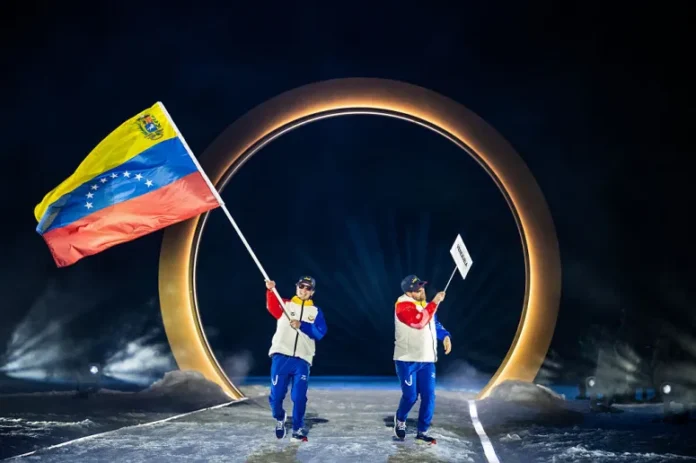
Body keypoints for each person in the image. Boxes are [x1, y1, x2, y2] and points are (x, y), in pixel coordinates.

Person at [265, 276, 328, 442]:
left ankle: (298, 427)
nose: (304, 290)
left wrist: (302, 325)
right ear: (297, 287)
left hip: (302, 359)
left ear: (312, 292)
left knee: (299, 397)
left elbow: (320, 333)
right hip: (281, 356)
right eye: (301, 286)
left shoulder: (315, 311)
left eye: (308, 288)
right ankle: (280, 417)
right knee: (276, 396)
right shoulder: (285, 304)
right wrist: (271, 290)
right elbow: (272, 307)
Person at [392, 274, 451, 444]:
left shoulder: (425, 305)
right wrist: (435, 302)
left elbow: (434, 323)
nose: (422, 290)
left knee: (429, 396)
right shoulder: (402, 305)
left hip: (427, 360)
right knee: (411, 397)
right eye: (417, 289)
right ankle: (400, 419)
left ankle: (422, 432)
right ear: (408, 292)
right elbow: (419, 322)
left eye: (422, 287)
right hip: (407, 360)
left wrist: (445, 336)